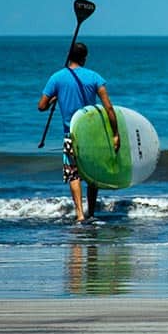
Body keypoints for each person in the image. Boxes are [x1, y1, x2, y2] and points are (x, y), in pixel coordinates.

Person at [38, 42, 119, 222]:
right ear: (85, 57)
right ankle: (91, 213)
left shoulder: (57, 78)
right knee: (92, 174)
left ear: (69, 56)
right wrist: (115, 134)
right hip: (92, 134)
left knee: (73, 174)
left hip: (70, 134)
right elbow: (109, 108)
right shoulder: (95, 77)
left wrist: (55, 98)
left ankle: (80, 214)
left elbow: (41, 106)